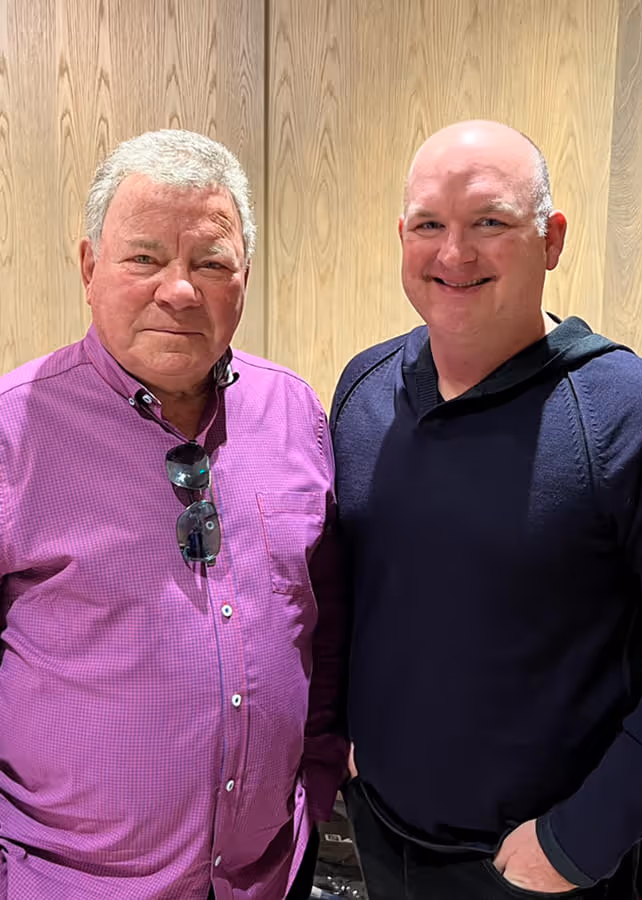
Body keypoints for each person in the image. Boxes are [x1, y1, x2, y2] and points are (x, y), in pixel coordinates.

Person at [0, 129, 348, 899]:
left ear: (244, 277)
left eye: (211, 263)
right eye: (145, 258)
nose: (181, 291)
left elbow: (325, 620)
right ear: (89, 267)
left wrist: (318, 779)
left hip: (268, 876)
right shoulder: (12, 431)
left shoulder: (296, 413)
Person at [330, 119, 642, 899]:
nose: (454, 254)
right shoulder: (362, 390)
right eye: (428, 225)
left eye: (489, 222)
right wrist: (343, 736)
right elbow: (353, 596)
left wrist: (578, 843)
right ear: (401, 237)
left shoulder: (630, 413)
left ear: (552, 239)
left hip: (534, 871)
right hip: (378, 832)